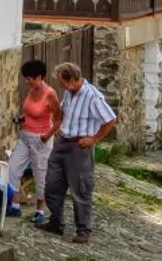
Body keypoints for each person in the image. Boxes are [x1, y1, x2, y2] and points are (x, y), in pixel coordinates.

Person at [40, 62, 117, 245]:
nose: (60, 85)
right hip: (61, 145)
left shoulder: (93, 97)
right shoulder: (69, 92)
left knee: (80, 190)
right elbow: (64, 112)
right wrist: (58, 128)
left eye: (61, 82)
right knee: (52, 185)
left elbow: (110, 119)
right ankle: (56, 223)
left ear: (71, 79)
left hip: (79, 147)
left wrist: (94, 139)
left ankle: (83, 230)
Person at [6, 60, 62, 225]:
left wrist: (47, 136)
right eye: (26, 78)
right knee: (13, 167)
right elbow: (29, 113)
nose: (27, 81)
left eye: (30, 78)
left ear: (40, 77)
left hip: (41, 139)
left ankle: (40, 210)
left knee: (40, 175)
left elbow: (59, 120)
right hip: (25, 136)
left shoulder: (50, 94)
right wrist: (21, 120)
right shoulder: (31, 91)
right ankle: (15, 204)